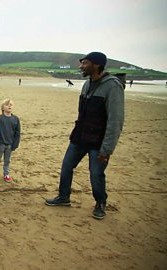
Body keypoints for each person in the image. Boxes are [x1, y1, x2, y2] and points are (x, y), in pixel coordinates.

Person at [45, 52, 125, 220]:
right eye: (81, 63)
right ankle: (64, 197)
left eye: (84, 63)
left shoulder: (113, 86)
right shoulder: (86, 84)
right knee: (66, 166)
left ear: (96, 65)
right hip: (79, 138)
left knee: (95, 174)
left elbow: (115, 121)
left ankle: (100, 203)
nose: (80, 66)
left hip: (99, 143)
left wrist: (107, 149)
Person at [0, 99, 21, 182]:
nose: (9, 106)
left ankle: (6, 174)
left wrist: (15, 144)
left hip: (10, 144)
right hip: (0, 144)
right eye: (7, 104)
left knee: (7, 160)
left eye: (11, 104)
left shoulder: (16, 119)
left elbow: (17, 133)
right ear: (3, 107)